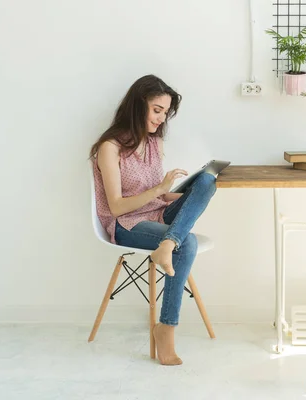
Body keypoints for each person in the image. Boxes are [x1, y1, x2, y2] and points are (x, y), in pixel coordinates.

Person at [89, 75, 216, 366]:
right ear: (137, 105)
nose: (161, 118)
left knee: (207, 181)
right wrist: (160, 189)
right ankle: (166, 328)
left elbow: (157, 199)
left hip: (157, 214)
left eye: (165, 113)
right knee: (189, 242)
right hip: (127, 224)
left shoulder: (154, 142)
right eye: (157, 110)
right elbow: (117, 206)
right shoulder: (110, 147)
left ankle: (167, 244)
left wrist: (181, 194)